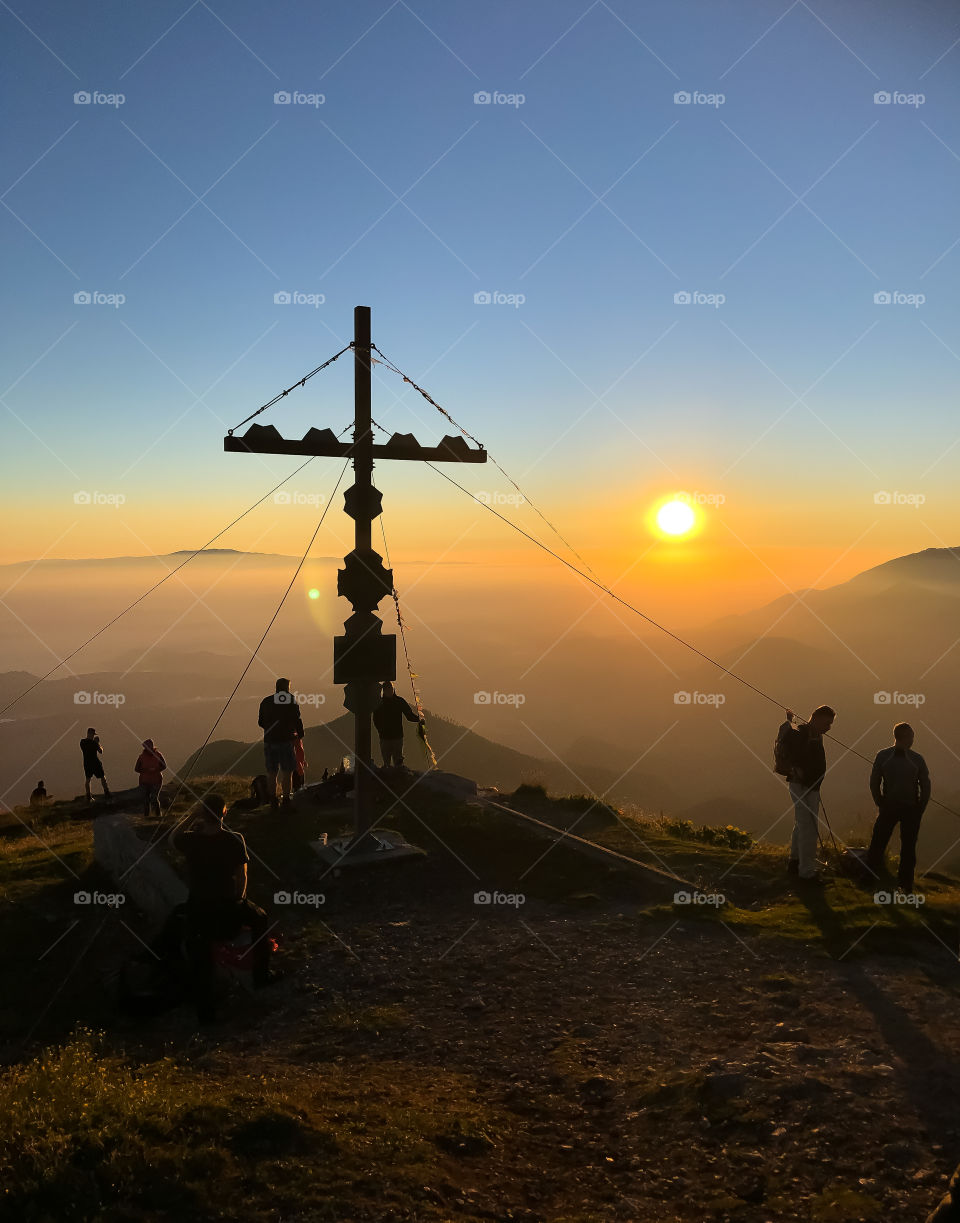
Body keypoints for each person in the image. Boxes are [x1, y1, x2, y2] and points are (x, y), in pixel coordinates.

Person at [171, 793, 273, 1024]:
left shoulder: (191, 840)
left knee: (199, 955)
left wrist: (191, 816)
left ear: (203, 814)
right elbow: (242, 875)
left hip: (199, 908)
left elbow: (172, 839)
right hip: (228, 907)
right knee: (261, 918)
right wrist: (240, 900)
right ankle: (262, 976)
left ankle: (205, 1013)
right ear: (224, 813)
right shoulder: (235, 839)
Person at [867, 722, 930, 893]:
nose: (912, 740)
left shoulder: (882, 756)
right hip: (910, 808)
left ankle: (868, 879)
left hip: (890, 806)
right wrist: (920, 807)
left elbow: (874, 782)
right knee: (908, 846)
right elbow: (925, 785)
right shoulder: (917, 759)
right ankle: (905, 884)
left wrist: (879, 801)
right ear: (904, 737)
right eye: (911, 736)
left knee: (878, 842)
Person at [779, 705, 836, 882]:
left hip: (809, 787)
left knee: (801, 824)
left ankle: (794, 862)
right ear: (816, 718)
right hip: (804, 787)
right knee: (809, 829)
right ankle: (807, 872)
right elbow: (794, 747)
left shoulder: (812, 734)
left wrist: (790, 720)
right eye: (827, 723)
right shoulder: (804, 734)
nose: (829, 727)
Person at [257, 678, 304, 809]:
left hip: (269, 741)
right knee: (287, 771)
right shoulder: (290, 700)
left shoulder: (266, 701)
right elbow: (297, 719)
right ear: (287, 688)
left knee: (272, 772)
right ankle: (286, 799)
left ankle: (273, 800)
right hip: (285, 741)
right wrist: (300, 734)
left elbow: (260, 722)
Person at [373, 681, 423, 768]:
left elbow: (409, 716)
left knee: (397, 763)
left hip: (394, 737)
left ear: (393, 689)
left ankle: (395, 778)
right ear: (384, 691)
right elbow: (375, 720)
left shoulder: (395, 702)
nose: (389, 691)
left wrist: (418, 719)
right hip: (387, 737)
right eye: (387, 689)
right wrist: (380, 730)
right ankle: (392, 778)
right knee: (388, 763)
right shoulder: (382, 703)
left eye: (390, 689)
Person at [135, 738, 167, 818]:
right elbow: (136, 769)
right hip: (145, 781)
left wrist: (155, 770)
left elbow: (164, 766)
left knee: (154, 798)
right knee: (146, 800)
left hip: (156, 780)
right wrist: (147, 770)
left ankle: (158, 815)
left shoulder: (158, 755)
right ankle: (147, 816)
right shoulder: (142, 757)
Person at [80, 728, 111, 804]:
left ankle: (88, 796)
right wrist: (98, 743)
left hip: (87, 763)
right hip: (95, 762)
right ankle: (106, 792)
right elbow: (101, 751)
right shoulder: (94, 743)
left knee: (88, 779)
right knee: (102, 777)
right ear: (91, 734)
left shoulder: (82, 742)